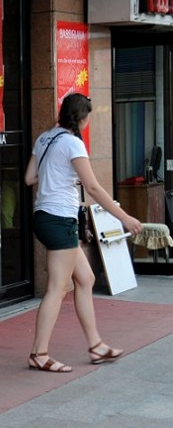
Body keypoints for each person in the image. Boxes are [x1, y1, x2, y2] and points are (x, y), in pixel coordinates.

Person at [24, 93, 143, 372]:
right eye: (88, 116)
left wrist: (57, 174)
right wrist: (124, 218)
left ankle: (96, 345)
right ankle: (39, 353)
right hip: (60, 219)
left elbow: (30, 178)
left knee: (86, 279)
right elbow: (93, 188)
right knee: (57, 288)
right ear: (81, 118)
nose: (88, 121)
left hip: (44, 216)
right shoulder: (73, 143)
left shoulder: (45, 138)